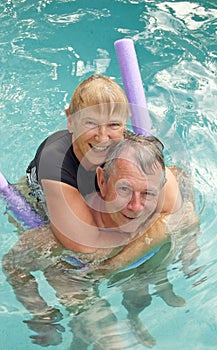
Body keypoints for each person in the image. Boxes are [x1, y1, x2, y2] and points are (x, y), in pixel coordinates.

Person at [2, 136, 199, 348]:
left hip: (116, 262)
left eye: (147, 193)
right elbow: (12, 265)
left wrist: (190, 246)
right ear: (102, 183)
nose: (136, 206)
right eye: (124, 189)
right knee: (109, 340)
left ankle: (134, 317)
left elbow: (183, 185)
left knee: (140, 293)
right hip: (72, 270)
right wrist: (40, 313)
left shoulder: (163, 202)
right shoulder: (73, 232)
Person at [26, 74, 182, 253]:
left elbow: (174, 204)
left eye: (114, 124)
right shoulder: (55, 164)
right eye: (90, 123)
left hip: (102, 191)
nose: (102, 137)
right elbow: (85, 246)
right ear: (71, 120)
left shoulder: (125, 144)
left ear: (125, 123)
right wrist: (152, 230)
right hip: (45, 194)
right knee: (48, 246)